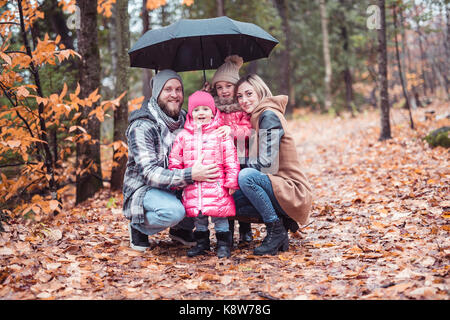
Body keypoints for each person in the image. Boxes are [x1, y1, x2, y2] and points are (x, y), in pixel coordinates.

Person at [123, 70, 224, 251]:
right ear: (157, 93)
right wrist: (191, 174)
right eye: (167, 89)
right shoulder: (142, 125)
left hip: (175, 184)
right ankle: (138, 225)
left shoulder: (185, 118)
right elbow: (150, 174)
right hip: (145, 189)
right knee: (174, 212)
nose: (174, 95)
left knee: (205, 190)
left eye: (178, 89)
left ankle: (181, 230)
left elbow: (208, 118)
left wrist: (207, 96)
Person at [233, 74, 313, 256]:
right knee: (228, 198)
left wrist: (231, 165)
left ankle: (276, 229)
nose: (244, 100)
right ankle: (283, 222)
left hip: (293, 190)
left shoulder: (268, 115)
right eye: (239, 96)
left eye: (248, 94)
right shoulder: (256, 118)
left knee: (246, 177)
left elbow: (266, 164)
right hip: (277, 187)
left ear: (260, 91)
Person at [169, 91, 240, 258]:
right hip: (194, 186)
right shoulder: (183, 136)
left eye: (205, 109)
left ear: (213, 112)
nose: (201, 113)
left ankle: (223, 244)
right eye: (197, 109)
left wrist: (231, 182)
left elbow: (231, 160)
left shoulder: (220, 135)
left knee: (219, 217)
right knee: (199, 218)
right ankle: (202, 243)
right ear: (191, 113)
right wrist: (178, 178)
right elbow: (175, 160)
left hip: (217, 186)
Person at [206, 55, 254, 245]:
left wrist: (231, 130)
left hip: (242, 157)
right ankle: (227, 231)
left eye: (229, 86)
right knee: (225, 194)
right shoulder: (214, 108)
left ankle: (245, 228)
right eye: (219, 87)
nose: (224, 90)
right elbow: (202, 119)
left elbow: (249, 130)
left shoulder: (242, 107)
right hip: (222, 161)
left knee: (240, 193)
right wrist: (206, 97)